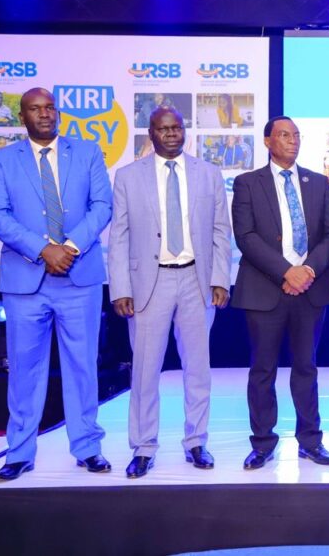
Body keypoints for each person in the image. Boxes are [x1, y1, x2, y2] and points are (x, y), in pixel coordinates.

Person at [0, 87, 112, 481]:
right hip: (25, 282)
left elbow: (102, 206)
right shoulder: (3, 160)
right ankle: (20, 453)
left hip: (79, 276)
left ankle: (87, 447)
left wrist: (68, 248)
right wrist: (43, 250)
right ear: (22, 116)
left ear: (58, 113)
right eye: (35, 109)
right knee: (24, 371)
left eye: (50, 108)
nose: (44, 114)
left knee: (82, 367)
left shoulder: (87, 152)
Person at [107, 107, 231, 479]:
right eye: (164, 129)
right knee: (145, 371)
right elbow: (119, 236)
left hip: (196, 279)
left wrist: (220, 279)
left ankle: (196, 442)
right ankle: (143, 447)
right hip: (150, 282)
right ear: (151, 133)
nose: (172, 134)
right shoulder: (128, 177)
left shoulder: (208, 173)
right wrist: (120, 288)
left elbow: (221, 231)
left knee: (198, 369)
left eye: (177, 127)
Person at [232, 116, 329, 469]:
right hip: (265, 290)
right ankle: (263, 443)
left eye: (296, 135)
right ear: (267, 141)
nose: (292, 140)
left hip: (311, 288)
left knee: (306, 367)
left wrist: (306, 270)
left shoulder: (318, 182)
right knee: (262, 370)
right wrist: (286, 271)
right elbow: (245, 236)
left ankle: (310, 441)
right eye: (284, 135)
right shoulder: (248, 183)